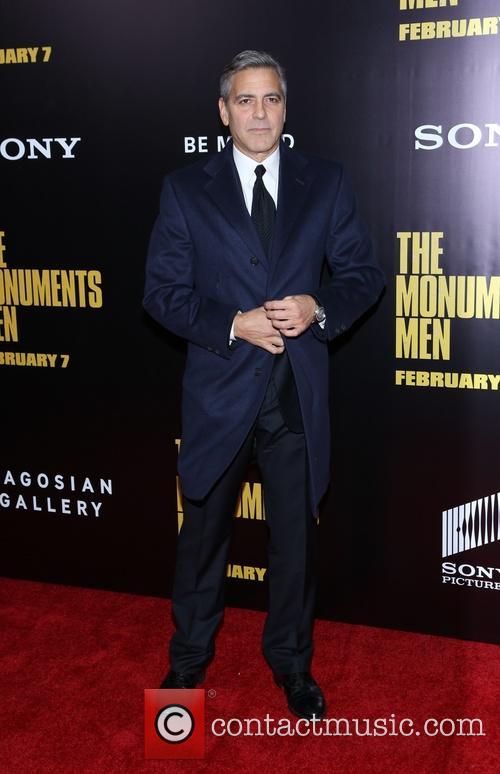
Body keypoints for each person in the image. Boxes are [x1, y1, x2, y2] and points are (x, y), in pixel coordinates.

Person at [143, 50, 384, 720]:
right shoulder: (186, 189)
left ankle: (292, 668)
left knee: (294, 550)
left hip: (293, 404)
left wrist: (319, 309)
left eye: (271, 99)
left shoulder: (326, 182)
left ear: (285, 108)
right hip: (219, 399)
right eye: (245, 100)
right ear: (223, 113)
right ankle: (186, 665)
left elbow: (363, 274)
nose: (259, 112)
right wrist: (232, 325)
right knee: (201, 546)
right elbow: (160, 294)